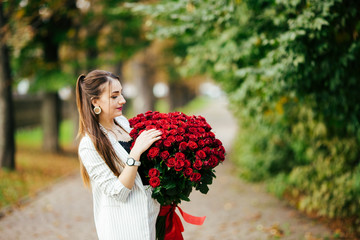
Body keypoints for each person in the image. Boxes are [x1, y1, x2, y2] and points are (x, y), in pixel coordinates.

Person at [75, 70, 162, 240]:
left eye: (121, 93)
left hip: (148, 217)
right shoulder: (89, 144)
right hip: (123, 226)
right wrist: (136, 151)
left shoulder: (122, 123)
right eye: (114, 96)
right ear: (95, 102)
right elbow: (118, 192)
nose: (122, 100)